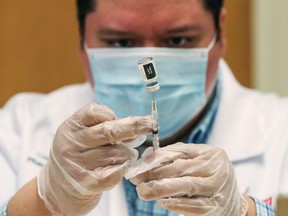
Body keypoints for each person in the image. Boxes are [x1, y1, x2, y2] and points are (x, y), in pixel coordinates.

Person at [0, 0, 286, 215]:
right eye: (121, 42)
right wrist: (44, 200)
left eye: (178, 40)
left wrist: (243, 210)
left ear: (220, 33)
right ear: (82, 42)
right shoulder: (18, 128)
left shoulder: (280, 131)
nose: (151, 62)